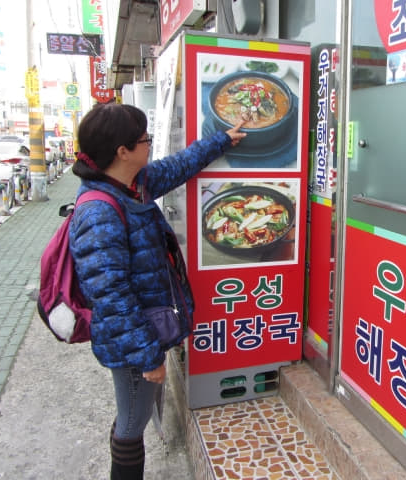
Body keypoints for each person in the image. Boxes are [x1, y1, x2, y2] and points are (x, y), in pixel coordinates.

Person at [68, 102, 246, 479]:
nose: (150, 145)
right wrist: (150, 357)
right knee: (132, 424)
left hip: (139, 334)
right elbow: (112, 299)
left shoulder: (133, 184)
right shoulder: (99, 210)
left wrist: (222, 140)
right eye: (145, 139)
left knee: (130, 417)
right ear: (122, 151)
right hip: (133, 343)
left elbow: (180, 165)